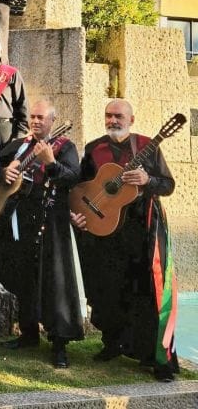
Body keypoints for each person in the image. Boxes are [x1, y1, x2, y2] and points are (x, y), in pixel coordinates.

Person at [73, 100, 178, 382]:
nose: (113, 120)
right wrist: (79, 216)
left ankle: (157, 357)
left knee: (147, 292)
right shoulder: (94, 148)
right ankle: (113, 343)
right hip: (106, 231)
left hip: (141, 229)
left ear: (132, 118)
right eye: (108, 115)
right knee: (107, 287)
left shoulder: (147, 145)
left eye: (118, 116)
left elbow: (167, 184)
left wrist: (147, 179)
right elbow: (82, 187)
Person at [0, 100, 83, 369]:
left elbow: (72, 178)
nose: (35, 121)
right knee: (20, 275)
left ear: (52, 121)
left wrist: (51, 163)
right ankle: (28, 334)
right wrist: (2, 171)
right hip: (19, 220)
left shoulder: (64, 147)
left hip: (50, 222)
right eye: (32, 116)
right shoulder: (20, 145)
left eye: (41, 117)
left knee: (54, 283)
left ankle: (59, 344)